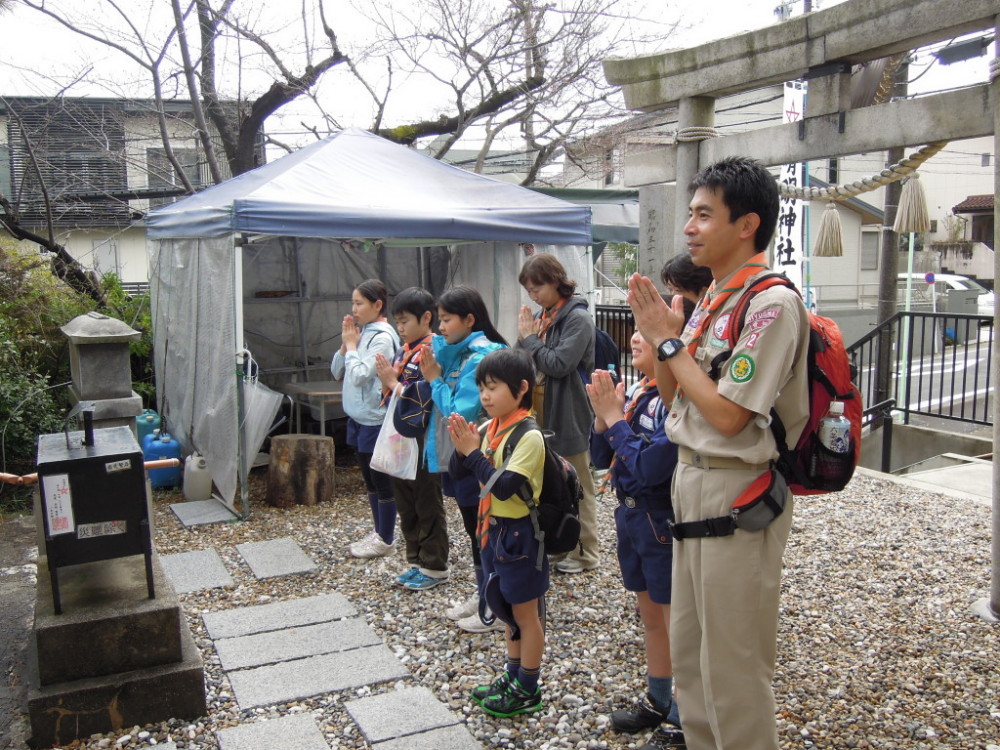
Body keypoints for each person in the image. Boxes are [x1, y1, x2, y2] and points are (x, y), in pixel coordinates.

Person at [627, 156, 810, 750]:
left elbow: (730, 417)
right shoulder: (714, 299)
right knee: (693, 647)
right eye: (690, 214)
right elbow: (677, 391)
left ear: (747, 224)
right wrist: (662, 341)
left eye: (704, 215)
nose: (689, 228)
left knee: (733, 660)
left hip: (738, 488)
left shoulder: (771, 304)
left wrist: (669, 340)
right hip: (691, 478)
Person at [587, 303, 692, 750]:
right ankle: (658, 697)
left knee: (675, 622)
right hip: (630, 515)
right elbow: (599, 457)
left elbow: (650, 467)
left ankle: (685, 719)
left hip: (658, 518)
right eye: (635, 328)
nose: (634, 337)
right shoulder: (640, 392)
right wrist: (602, 416)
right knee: (650, 617)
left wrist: (613, 420)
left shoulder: (677, 399)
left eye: (648, 332)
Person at [446, 348, 548, 717]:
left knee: (526, 614)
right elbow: (459, 474)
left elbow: (503, 488)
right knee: (507, 610)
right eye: (481, 388)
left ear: (521, 388)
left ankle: (528, 686)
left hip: (520, 534)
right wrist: (462, 450)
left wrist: (473, 454)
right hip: (494, 530)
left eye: (493, 387)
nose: (485, 396)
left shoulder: (529, 435)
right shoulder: (493, 427)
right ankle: (512, 673)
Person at [400, 286, 508, 631]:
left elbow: (457, 415)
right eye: (439, 319)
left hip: (477, 457)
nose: (440, 327)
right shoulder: (458, 351)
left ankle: (493, 605)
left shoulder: (480, 357)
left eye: (446, 320)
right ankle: (484, 594)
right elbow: (438, 359)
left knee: (486, 532)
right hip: (458, 457)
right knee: (474, 529)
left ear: (469, 320)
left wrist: (433, 380)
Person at [516, 253, 598, 574]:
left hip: (568, 411)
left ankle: (588, 552)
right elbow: (527, 354)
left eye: (537, 288)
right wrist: (527, 341)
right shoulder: (546, 314)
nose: (533, 295)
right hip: (542, 410)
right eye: (529, 290)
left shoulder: (577, 319)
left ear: (555, 281)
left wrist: (531, 339)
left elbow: (558, 364)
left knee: (579, 485)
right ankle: (563, 544)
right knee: (552, 483)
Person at [375, 287, 449, 590]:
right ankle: (416, 558)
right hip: (400, 435)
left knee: (426, 500)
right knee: (405, 498)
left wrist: (393, 382)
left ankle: (435, 566)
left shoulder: (434, 349)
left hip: (423, 437)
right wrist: (390, 383)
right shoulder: (405, 350)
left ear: (426, 318)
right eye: (398, 322)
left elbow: (427, 396)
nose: (400, 328)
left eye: (405, 321)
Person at [331, 278, 401, 558]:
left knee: (381, 480)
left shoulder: (383, 337)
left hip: (376, 418)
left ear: (378, 305)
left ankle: (386, 537)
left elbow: (359, 375)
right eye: (353, 303)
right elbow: (338, 370)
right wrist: (345, 346)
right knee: (370, 481)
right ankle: (379, 532)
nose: (354, 308)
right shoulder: (363, 334)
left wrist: (351, 347)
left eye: (359, 303)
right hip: (358, 418)